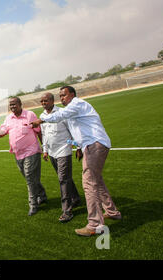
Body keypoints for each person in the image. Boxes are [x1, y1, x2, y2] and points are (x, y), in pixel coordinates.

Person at [31, 86, 121, 236]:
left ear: (72, 94)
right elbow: (76, 134)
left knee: (89, 182)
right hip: (91, 145)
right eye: (60, 96)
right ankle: (112, 211)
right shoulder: (72, 113)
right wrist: (77, 146)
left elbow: (58, 116)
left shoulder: (76, 104)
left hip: (95, 144)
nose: (62, 98)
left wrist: (40, 120)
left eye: (64, 95)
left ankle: (95, 224)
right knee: (96, 181)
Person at [0, 96, 47, 216]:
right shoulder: (8, 118)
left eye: (14, 104)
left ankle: (33, 204)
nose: (12, 107)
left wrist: (44, 148)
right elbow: (2, 133)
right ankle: (42, 194)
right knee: (29, 177)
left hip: (32, 151)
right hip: (18, 154)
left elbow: (39, 131)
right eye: (10, 105)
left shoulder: (30, 115)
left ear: (20, 104)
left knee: (30, 177)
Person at [39, 93, 81, 223]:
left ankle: (67, 211)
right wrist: (45, 151)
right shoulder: (42, 116)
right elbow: (44, 135)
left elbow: (73, 130)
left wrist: (78, 146)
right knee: (65, 178)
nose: (43, 103)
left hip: (64, 149)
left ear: (52, 101)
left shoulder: (62, 113)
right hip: (52, 152)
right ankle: (75, 199)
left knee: (63, 179)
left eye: (46, 100)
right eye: (41, 101)